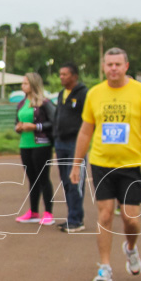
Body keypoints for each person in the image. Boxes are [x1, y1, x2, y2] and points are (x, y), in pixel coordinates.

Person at [70, 48, 141, 281]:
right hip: (101, 163)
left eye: (117, 64)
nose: (113, 68)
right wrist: (76, 164)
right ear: (103, 67)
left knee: (131, 219)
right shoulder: (95, 94)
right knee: (105, 214)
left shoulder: (140, 92)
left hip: (130, 164)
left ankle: (130, 248)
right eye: (109, 64)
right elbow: (86, 130)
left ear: (126, 67)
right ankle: (104, 267)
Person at [14, 72, 55, 226]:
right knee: (32, 179)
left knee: (43, 178)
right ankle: (33, 212)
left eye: (25, 83)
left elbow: (53, 121)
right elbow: (16, 122)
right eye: (22, 83)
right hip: (25, 144)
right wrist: (18, 128)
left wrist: (36, 126)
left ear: (33, 84)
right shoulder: (21, 103)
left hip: (41, 144)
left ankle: (48, 213)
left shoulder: (44, 103)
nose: (22, 86)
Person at [53, 63, 88, 233]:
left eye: (65, 74)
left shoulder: (83, 94)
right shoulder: (62, 94)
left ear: (74, 76)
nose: (62, 77)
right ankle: (71, 216)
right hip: (61, 142)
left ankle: (76, 219)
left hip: (76, 142)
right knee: (66, 181)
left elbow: (87, 120)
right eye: (60, 74)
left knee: (75, 180)